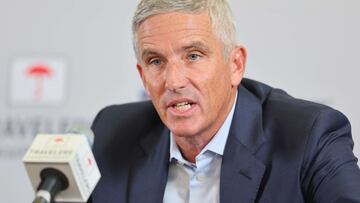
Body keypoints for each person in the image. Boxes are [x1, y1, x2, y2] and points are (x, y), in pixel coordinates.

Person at [89, 0, 360, 202]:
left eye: (193, 56)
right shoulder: (113, 133)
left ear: (235, 64)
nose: (173, 81)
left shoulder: (308, 136)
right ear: (142, 76)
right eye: (156, 61)